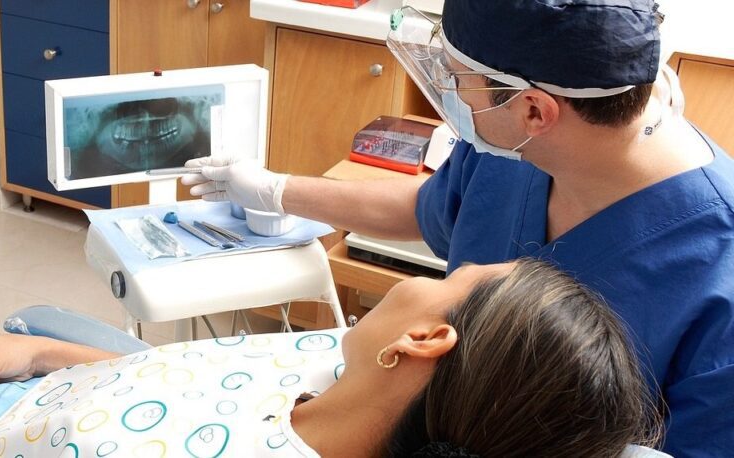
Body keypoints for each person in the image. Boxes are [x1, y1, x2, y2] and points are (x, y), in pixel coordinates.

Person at [181, 1, 734, 455]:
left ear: (535, 111)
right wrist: (278, 189)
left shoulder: (717, 268)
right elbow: (431, 209)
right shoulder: (511, 150)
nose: (447, 93)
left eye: (456, 78)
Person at [0, 260, 658, 457]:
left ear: (425, 341)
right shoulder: (337, 366)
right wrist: (34, 349)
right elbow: (162, 380)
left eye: (458, 280)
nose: (444, 271)